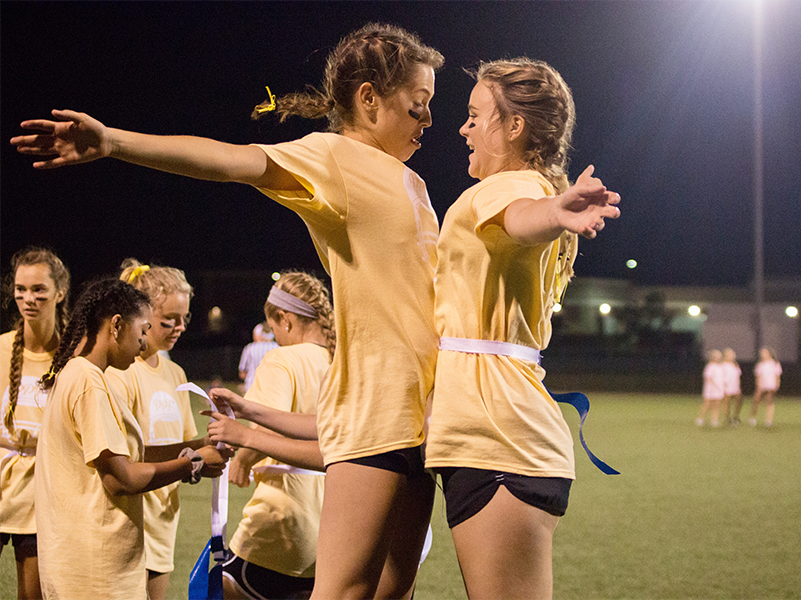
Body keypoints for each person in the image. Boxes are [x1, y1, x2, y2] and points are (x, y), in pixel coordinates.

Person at [13, 23, 444, 600]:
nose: (429, 121)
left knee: (394, 592)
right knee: (344, 592)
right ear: (368, 99)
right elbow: (228, 160)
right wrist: (114, 141)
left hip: (427, 412)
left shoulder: (413, 181)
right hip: (379, 413)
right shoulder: (333, 158)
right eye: (418, 106)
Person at [423, 58, 621, 600]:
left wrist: (555, 210)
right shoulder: (525, 186)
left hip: (501, 439)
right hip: (492, 435)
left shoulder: (508, 186)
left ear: (514, 127)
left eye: (474, 116)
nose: (463, 128)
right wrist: (555, 208)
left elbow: (521, 215)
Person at [34, 278, 227, 600]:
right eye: (142, 330)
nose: (142, 343)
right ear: (117, 326)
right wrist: (192, 465)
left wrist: (195, 447)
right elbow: (120, 479)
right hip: (94, 566)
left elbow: (127, 454)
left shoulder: (82, 373)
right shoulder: (89, 383)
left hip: (84, 559)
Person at [209, 272, 334, 600]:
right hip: (334, 526)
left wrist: (243, 459)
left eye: (276, 330)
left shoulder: (282, 358)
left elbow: (267, 422)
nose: (276, 339)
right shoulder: (342, 360)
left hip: (284, 521)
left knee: (216, 589)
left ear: (286, 319)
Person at [105, 259, 202, 600]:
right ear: (143, 316)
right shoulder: (120, 373)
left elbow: (181, 444)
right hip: (126, 524)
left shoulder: (175, 373)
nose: (180, 327)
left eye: (184, 318)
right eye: (168, 320)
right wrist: (192, 457)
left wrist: (205, 451)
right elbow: (125, 457)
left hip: (163, 523)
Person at [0, 247, 69, 600]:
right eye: (21, 289)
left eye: (39, 289)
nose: (29, 298)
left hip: (45, 496)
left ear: (60, 292)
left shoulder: (73, 356)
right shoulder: (0, 350)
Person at [238, 322, 277, 393]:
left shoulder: (249, 348)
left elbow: (242, 373)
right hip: (271, 388)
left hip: (251, 387)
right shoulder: (277, 347)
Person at [748, 347, 781, 427]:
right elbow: (758, 376)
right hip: (762, 385)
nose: (762, 355)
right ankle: (752, 417)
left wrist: (777, 384)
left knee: (769, 402)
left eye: (764, 353)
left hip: (771, 385)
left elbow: (777, 375)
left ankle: (769, 420)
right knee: (756, 401)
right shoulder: (760, 365)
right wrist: (759, 385)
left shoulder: (775, 364)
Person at [697, 350, 725, 427]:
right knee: (707, 404)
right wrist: (715, 385)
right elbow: (708, 378)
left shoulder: (720, 367)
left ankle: (714, 420)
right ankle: (701, 418)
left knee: (716, 405)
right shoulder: (710, 367)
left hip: (719, 388)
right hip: (711, 388)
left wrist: (721, 386)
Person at [721, 348, 742, 424]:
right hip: (726, 386)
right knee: (727, 402)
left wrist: (738, 385)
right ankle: (727, 418)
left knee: (739, 401)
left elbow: (738, 376)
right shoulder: (723, 365)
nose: (732, 356)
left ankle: (736, 416)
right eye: (729, 354)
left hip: (735, 386)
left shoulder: (735, 365)